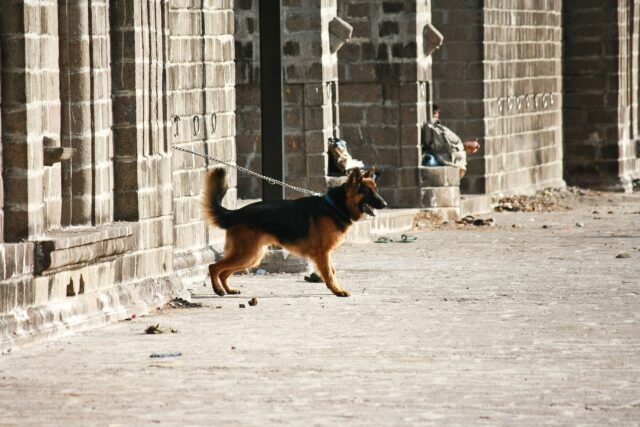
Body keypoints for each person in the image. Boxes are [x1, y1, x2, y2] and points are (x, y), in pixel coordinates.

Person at [421, 104, 480, 176]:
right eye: (437, 113)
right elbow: (446, 147)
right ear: (435, 114)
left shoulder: (436, 127)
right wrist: (466, 146)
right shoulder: (433, 128)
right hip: (442, 160)